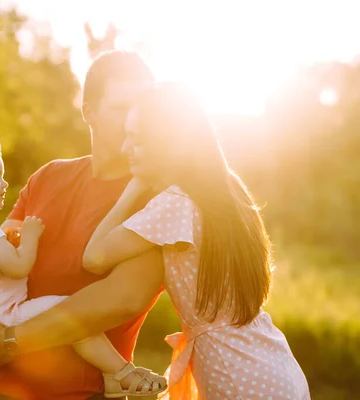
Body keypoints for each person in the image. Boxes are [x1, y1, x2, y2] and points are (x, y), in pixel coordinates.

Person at [0, 50, 165, 400]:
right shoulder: (48, 177)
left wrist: (11, 341)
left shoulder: (155, 199)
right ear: (89, 112)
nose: (136, 120)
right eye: (122, 108)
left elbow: (121, 301)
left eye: (143, 109)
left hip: (84, 394)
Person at [82, 83, 311, 400]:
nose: (125, 149)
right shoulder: (226, 188)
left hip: (238, 378)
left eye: (136, 139)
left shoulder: (176, 203)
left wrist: (133, 188)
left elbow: (94, 257)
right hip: (273, 364)